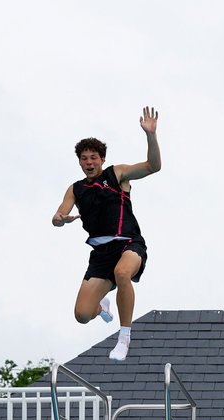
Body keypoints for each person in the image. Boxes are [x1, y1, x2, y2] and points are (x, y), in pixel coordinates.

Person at [52, 108, 162, 361]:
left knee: (122, 273)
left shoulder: (118, 174)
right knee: (82, 315)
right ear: (79, 161)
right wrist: (60, 220)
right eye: (84, 158)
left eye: (93, 158)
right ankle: (102, 303)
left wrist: (151, 136)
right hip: (101, 254)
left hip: (129, 245)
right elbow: (58, 216)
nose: (89, 162)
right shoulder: (75, 189)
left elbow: (153, 166)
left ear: (101, 159)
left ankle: (124, 337)